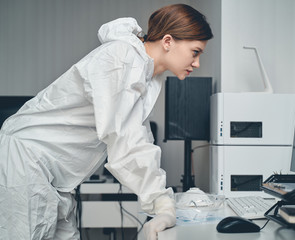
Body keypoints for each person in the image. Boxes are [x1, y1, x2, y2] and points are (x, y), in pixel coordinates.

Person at [0, 3, 213, 240]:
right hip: (28, 161)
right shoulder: (121, 58)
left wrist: (162, 203)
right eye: (195, 52)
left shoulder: (145, 72)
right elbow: (122, 137)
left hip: (54, 176)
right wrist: (162, 204)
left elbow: (138, 136)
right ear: (168, 41)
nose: (197, 63)